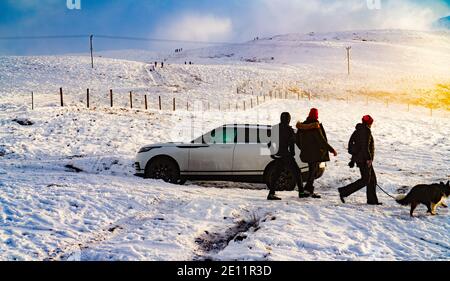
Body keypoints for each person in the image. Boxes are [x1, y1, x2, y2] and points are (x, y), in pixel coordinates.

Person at [338, 115, 382, 205]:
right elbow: (365, 147)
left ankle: (372, 201)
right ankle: (344, 191)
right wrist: (369, 159)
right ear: (369, 123)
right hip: (364, 160)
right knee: (365, 180)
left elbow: (357, 147)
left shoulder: (358, 131)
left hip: (361, 159)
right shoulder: (366, 131)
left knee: (372, 180)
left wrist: (353, 160)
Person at [296, 108, 337, 199]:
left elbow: (297, 140)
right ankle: (308, 190)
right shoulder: (315, 127)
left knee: (312, 171)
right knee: (313, 172)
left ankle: (308, 190)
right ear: (316, 115)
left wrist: (303, 148)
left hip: (306, 153)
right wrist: (331, 149)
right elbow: (321, 140)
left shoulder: (302, 126)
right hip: (315, 154)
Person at [268, 112, 303, 201]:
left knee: (276, 174)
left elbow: (270, 143)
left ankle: (271, 194)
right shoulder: (289, 130)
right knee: (297, 172)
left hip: (278, 155)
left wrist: (273, 153)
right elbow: (291, 143)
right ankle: (301, 192)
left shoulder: (275, 128)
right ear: (288, 119)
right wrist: (292, 153)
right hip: (286, 155)